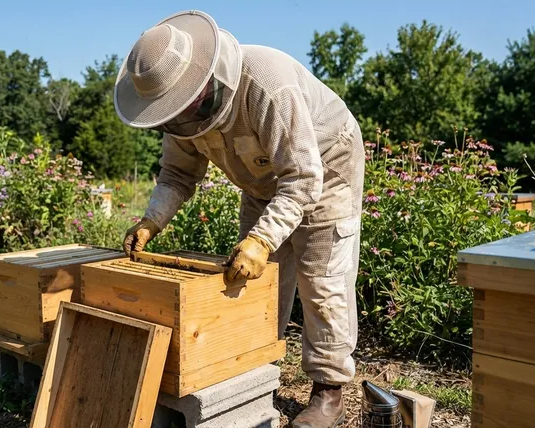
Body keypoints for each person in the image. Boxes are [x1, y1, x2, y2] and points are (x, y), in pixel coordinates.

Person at [113, 10, 364, 428]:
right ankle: (257, 365)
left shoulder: (267, 83)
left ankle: (328, 392)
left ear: (203, 83)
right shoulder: (180, 105)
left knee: (323, 281)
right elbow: (177, 173)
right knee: (252, 280)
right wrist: (151, 220)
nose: (178, 123)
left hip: (326, 166)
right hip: (262, 183)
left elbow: (302, 175)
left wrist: (262, 238)